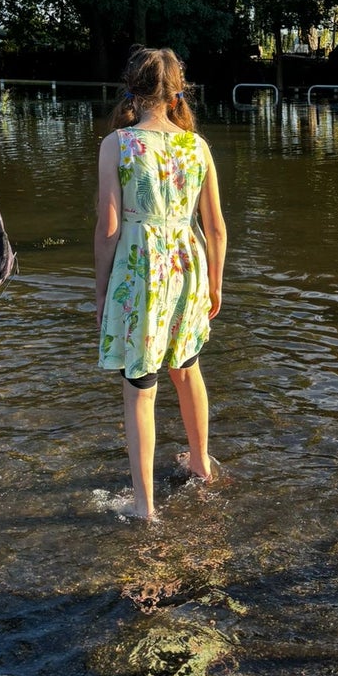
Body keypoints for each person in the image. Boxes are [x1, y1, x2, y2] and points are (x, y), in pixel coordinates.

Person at [94, 47, 227, 517]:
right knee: (187, 368)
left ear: (130, 89)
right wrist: (215, 283)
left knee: (141, 385)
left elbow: (109, 229)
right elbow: (215, 227)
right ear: (178, 92)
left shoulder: (119, 144)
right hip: (188, 266)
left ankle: (144, 505)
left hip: (141, 269)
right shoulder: (197, 146)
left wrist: (102, 292)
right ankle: (201, 465)